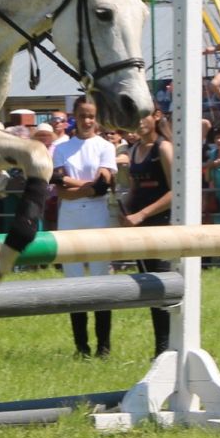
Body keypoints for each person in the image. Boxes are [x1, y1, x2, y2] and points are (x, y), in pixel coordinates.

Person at [52, 95, 118, 357]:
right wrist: (87, 186)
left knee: (102, 279)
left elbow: (103, 185)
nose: (87, 121)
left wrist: (73, 183)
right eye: (82, 116)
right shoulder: (62, 148)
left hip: (97, 216)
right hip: (69, 218)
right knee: (74, 282)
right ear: (74, 117)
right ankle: (81, 346)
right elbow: (59, 189)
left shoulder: (105, 146)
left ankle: (104, 345)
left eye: (91, 116)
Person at [119, 109, 175, 357]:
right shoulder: (133, 150)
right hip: (139, 228)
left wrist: (142, 214)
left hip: (162, 226)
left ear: (156, 117)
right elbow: (134, 188)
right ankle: (160, 349)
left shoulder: (163, 148)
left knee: (164, 290)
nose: (139, 121)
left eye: (145, 116)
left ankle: (166, 349)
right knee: (150, 291)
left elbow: (176, 191)